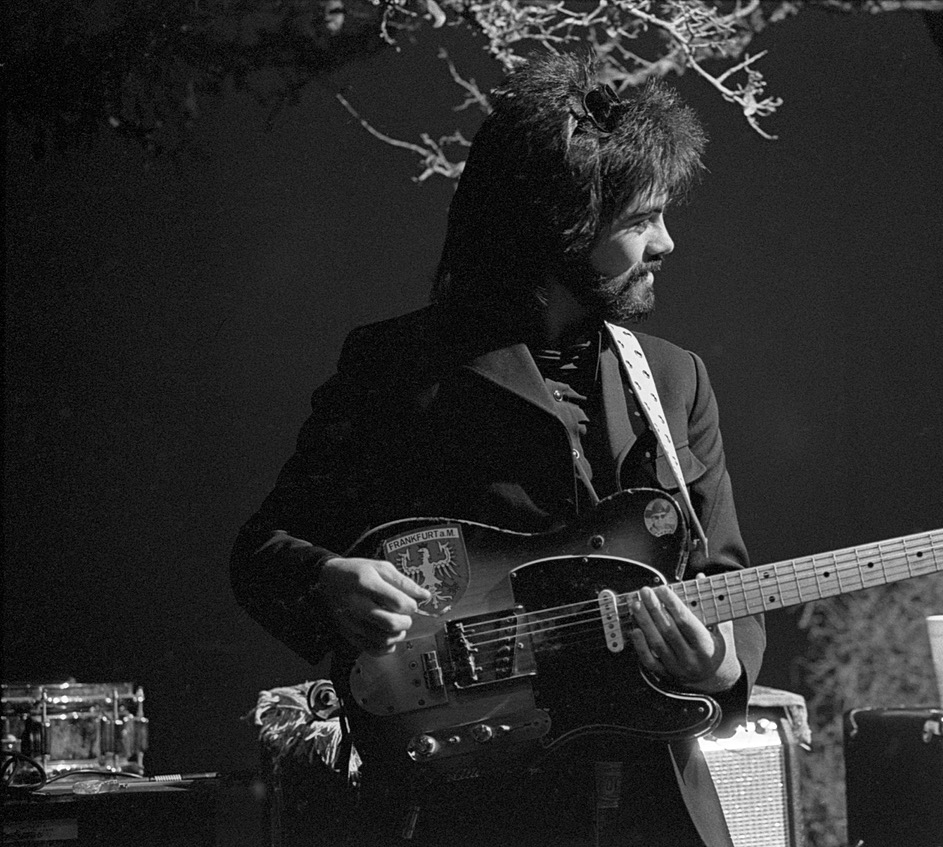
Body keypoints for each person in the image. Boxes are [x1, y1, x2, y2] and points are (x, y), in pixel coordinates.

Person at [230, 52, 765, 847]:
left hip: (659, 811)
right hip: (471, 811)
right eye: (639, 219)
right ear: (561, 224)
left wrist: (718, 666)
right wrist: (328, 582)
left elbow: (728, 578)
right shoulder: (398, 369)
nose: (666, 242)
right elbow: (261, 551)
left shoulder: (675, 379)